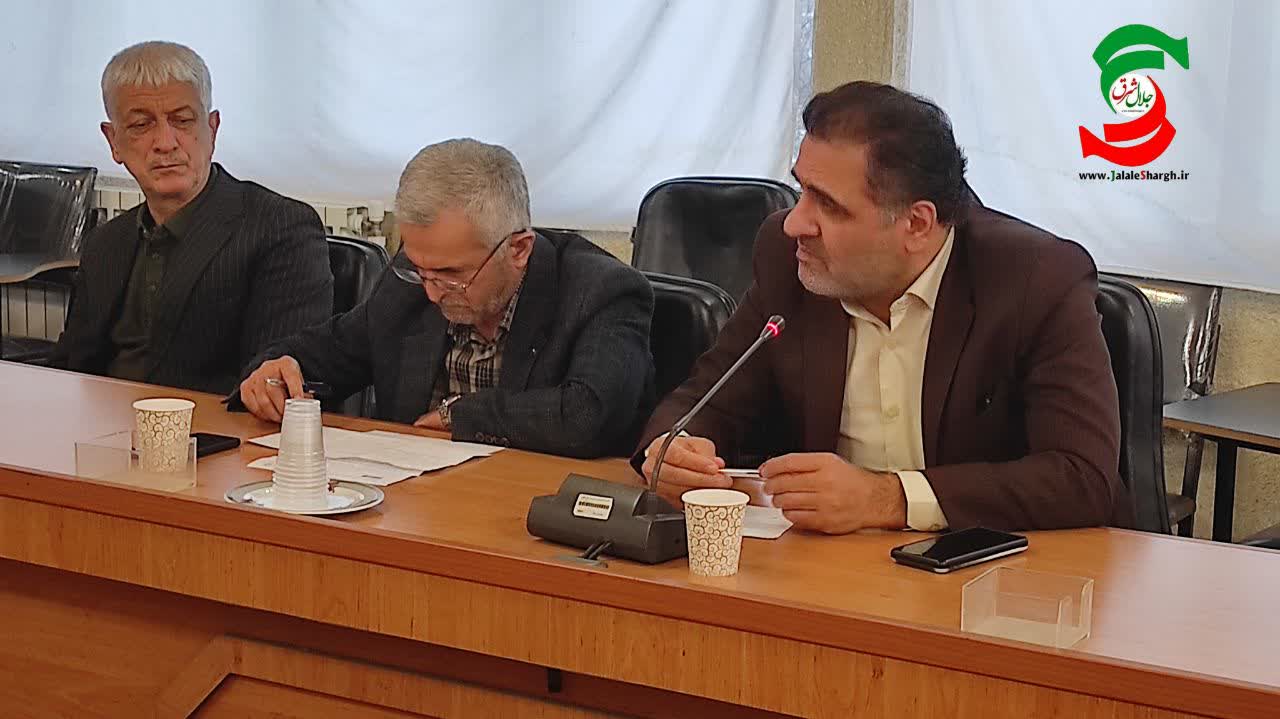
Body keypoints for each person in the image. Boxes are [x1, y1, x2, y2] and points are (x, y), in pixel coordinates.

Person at [636, 81, 1131, 533]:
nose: (794, 223)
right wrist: (673, 451)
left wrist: (887, 498)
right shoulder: (789, 259)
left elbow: (1081, 476)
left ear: (916, 225)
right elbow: (707, 397)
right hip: (835, 568)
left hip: (999, 572)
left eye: (828, 205)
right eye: (802, 190)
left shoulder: (1034, 279)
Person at [238, 139, 655, 458]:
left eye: (453, 275)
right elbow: (331, 350)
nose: (432, 292)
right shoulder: (413, 280)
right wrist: (273, 371)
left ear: (519, 249)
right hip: (420, 506)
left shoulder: (602, 292)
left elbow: (586, 415)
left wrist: (460, 415)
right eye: (420, 269)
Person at [48, 41, 333, 394]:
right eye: (140, 124)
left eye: (182, 121)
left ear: (212, 129)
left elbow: (275, 385)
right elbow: (70, 368)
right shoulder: (106, 242)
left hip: (214, 426)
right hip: (104, 422)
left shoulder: (280, 229)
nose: (165, 143)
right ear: (113, 141)